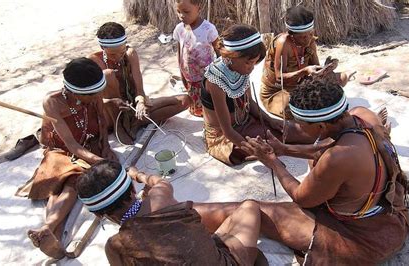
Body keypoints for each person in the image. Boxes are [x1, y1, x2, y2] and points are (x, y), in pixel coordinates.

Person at [195, 80, 409, 264]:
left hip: (357, 236)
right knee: (314, 166)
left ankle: (182, 213)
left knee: (251, 210)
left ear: (321, 127)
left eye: (301, 125)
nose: (297, 129)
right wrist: (285, 149)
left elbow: (302, 198)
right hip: (385, 214)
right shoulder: (362, 116)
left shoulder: (337, 159)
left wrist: (273, 163)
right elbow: (327, 145)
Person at [76, 160, 267, 265]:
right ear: (132, 189)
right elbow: (160, 182)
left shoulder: (114, 246)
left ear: (99, 215)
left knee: (217, 237)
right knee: (249, 207)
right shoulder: (160, 196)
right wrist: (139, 174)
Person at [19, 58, 118, 259]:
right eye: (92, 94)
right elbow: (71, 146)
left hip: (89, 144)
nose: (98, 96)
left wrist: (105, 147)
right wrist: (100, 161)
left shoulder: (94, 93)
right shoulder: (53, 102)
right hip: (61, 150)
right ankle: (49, 229)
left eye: (98, 91)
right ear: (74, 92)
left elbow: (100, 121)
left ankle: (49, 229)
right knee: (64, 178)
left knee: (74, 180)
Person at [202, 24, 313, 166]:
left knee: (295, 131)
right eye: (249, 63)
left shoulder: (240, 69)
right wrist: (257, 151)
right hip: (224, 136)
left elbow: (251, 103)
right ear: (231, 57)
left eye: (254, 63)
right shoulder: (215, 81)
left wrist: (269, 120)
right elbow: (228, 131)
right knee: (271, 144)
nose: (251, 68)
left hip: (246, 121)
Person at [89, 22, 190, 144]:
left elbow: (139, 90)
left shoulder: (130, 54)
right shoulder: (94, 61)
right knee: (108, 75)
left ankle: (135, 123)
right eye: (112, 55)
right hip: (110, 113)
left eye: (121, 53)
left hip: (132, 106)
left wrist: (141, 102)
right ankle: (119, 126)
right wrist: (112, 102)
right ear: (102, 47)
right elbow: (91, 101)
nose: (117, 58)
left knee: (185, 100)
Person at [260, 5, 354, 119]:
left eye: (310, 34)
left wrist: (326, 69)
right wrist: (304, 71)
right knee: (295, 109)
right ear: (291, 35)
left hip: (302, 84)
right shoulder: (283, 43)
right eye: (303, 37)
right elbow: (279, 78)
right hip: (278, 90)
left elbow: (316, 68)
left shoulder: (310, 40)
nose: (308, 39)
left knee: (341, 79)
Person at [174, 0, 219, 117]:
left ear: (198, 8)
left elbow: (219, 51)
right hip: (189, 76)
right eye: (178, 11)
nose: (181, 15)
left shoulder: (208, 29)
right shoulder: (179, 29)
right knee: (195, 106)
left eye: (186, 11)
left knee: (209, 105)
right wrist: (181, 73)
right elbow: (180, 52)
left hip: (207, 77)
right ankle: (197, 110)